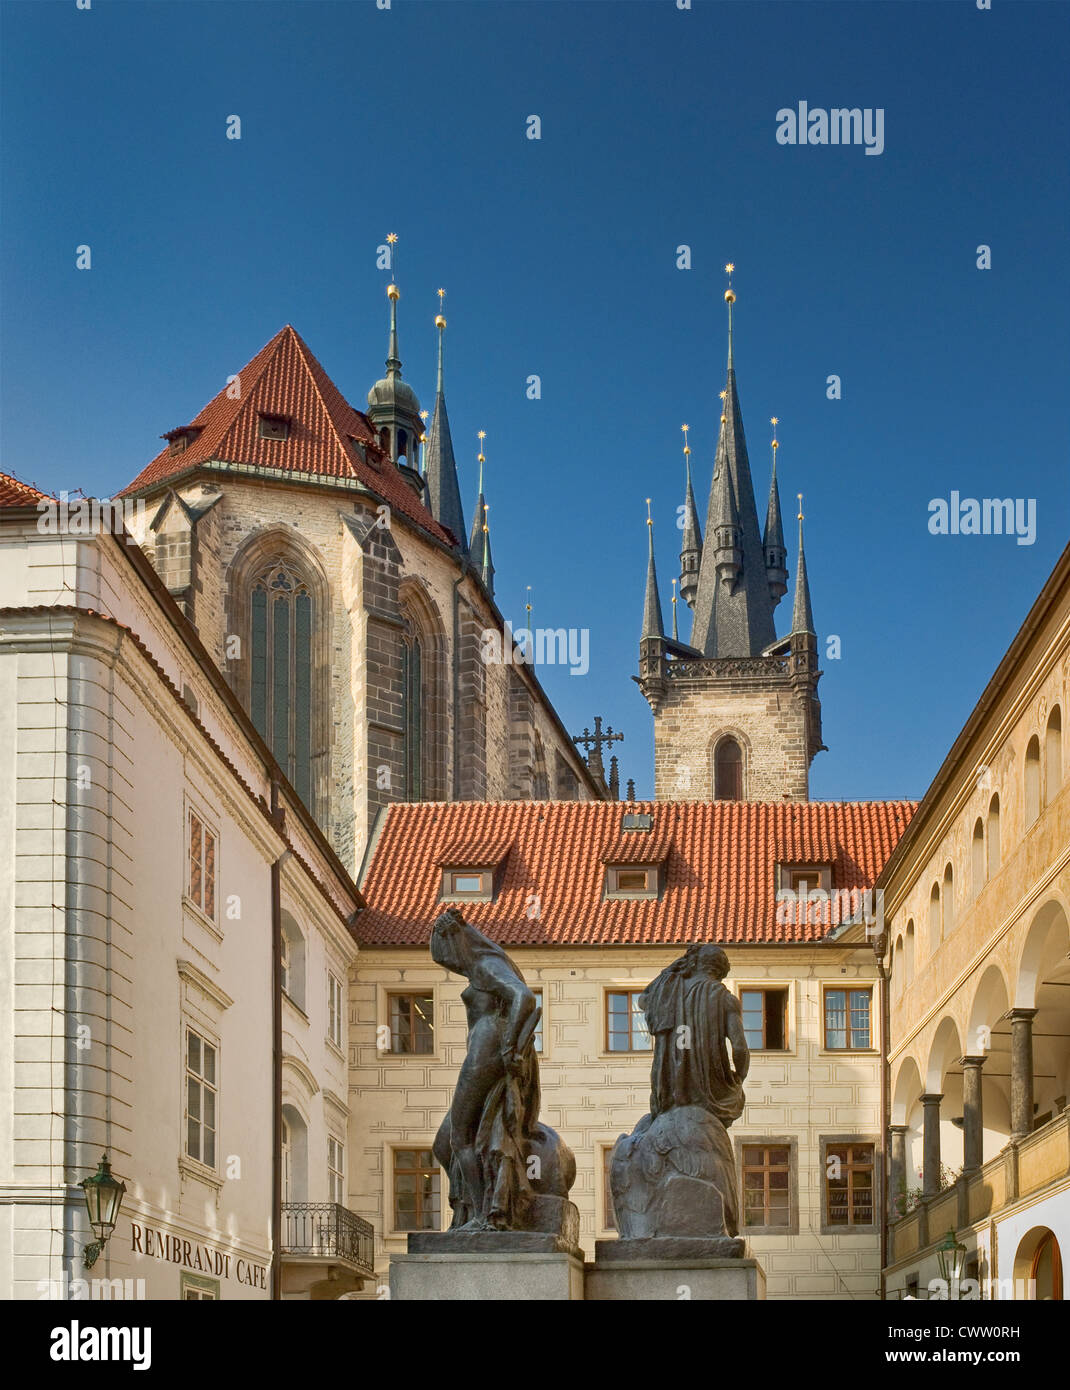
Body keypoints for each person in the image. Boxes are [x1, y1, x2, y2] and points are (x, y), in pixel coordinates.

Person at [429, 907, 541, 1230]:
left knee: (459, 1138)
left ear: (455, 944)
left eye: (446, 957)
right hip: (484, 1049)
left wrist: (508, 1045)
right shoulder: (481, 967)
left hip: (485, 1051)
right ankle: (469, 1212)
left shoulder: (485, 966)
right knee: (444, 1143)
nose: (449, 965)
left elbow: (525, 997)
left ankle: (480, 1216)